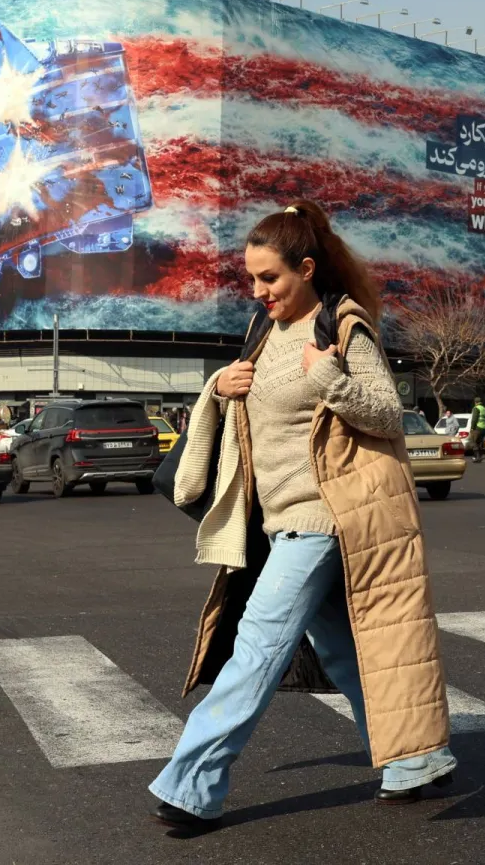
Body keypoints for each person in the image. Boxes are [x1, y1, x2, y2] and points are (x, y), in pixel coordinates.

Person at [151, 200, 454, 832]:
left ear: (307, 269)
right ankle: (418, 759)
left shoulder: (341, 328)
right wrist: (220, 388)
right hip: (277, 522)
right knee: (344, 653)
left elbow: (385, 414)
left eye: (271, 279)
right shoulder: (264, 335)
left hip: (322, 519)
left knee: (254, 650)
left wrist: (331, 379)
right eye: (252, 279)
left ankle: (192, 786)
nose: (259, 292)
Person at [469, 396, 485, 462]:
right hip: (484, 428)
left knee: (474, 442)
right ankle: (480, 456)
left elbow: (474, 419)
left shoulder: (476, 408)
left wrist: (472, 428)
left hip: (477, 428)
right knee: (480, 442)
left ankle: (477, 457)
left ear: (476, 402)